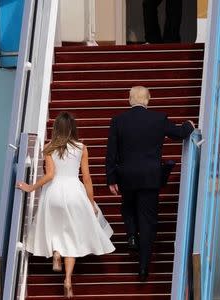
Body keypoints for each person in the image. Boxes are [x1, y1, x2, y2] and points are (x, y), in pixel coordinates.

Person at [16, 112, 115, 298]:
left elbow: (50, 175)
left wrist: (31, 187)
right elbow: (86, 178)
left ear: (56, 129)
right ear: (73, 128)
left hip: (53, 193)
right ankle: (68, 279)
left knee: (54, 229)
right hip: (74, 193)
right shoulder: (81, 148)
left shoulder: (49, 148)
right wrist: (91, 202)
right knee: (73, 237)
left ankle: (56, 252)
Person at [105, 86, 194, 281]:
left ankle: (131, 235)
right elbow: (179, 134)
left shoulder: (118, 121)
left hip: (126, 176)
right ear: (148, 99)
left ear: (129, 99)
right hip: (150, 178)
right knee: (147, 221)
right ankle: (143, 267)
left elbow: (111, 152)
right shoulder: (159, 118)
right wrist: (189, 125)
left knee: (127, 208)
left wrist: (111, 178)